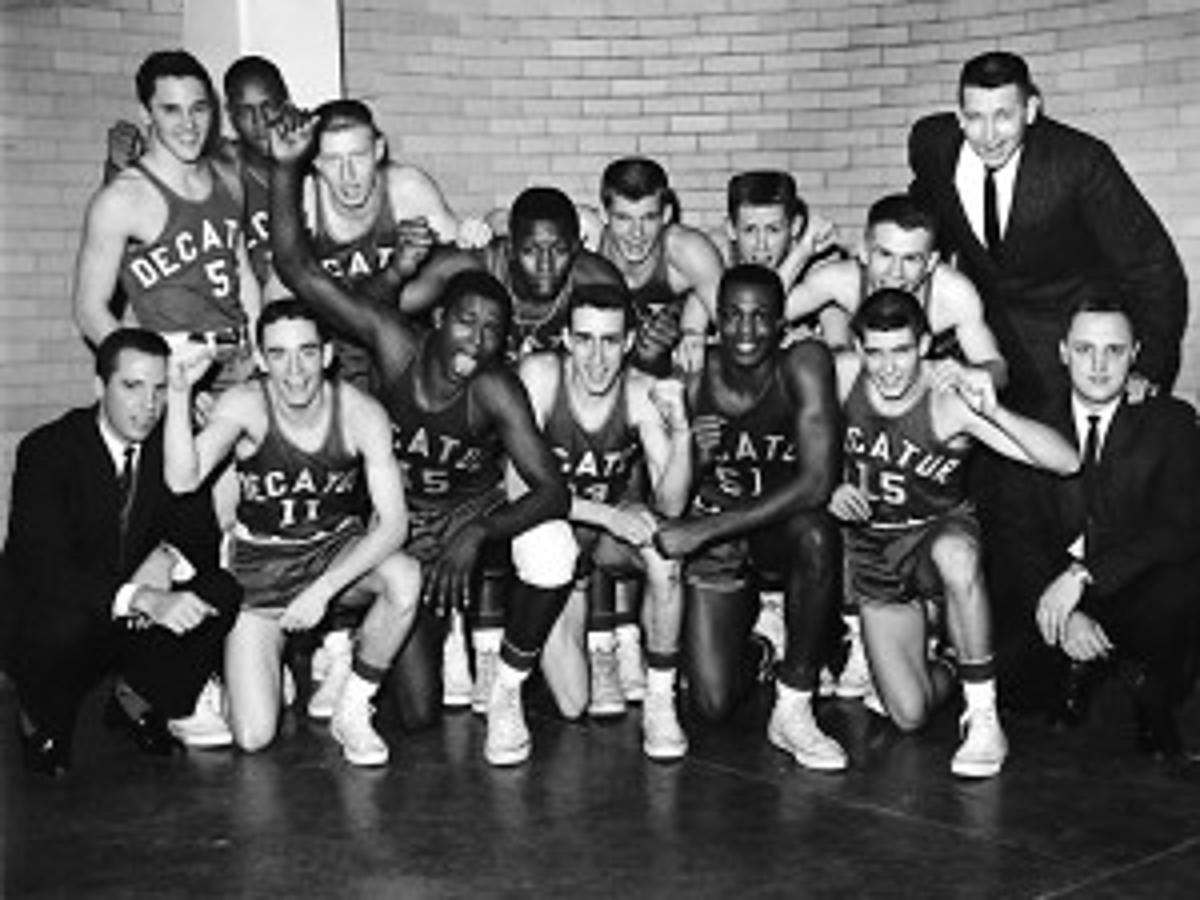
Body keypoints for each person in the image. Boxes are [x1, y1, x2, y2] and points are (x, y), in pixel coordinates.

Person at [269, 110, 578, 768]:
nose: (478, 342)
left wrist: (482, 532)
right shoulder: (393, 342)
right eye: (466, 323)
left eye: (494, 331)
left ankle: (508, 691)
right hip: (401, 522)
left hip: (468, 515)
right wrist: (286, 169)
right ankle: (384, 645)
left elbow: (552, 491)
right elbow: (297, 269)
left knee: (552, 547)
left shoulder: (497, 387)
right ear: (437, 319)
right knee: (414, 714)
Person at [830, 288, 1079, 778]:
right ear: (858, 350)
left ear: (924, 345)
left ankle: (983, 716)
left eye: (901, 350)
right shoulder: (842, 377)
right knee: (908, 714)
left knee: (957, 555)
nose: (888, 367)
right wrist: (828, 491)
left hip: (934, 537)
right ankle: (946, 656)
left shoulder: (950, 399)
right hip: (874, 552)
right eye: (875, 353)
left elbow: (1065, 460)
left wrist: (993, 410)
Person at [163, 300, 420, 767]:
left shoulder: (361, 413)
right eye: (278, 354)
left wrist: (322, 591)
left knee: (404, 578)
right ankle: (240, 670)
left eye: (306, 352)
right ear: (261, 360)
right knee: (253, 737)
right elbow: (183, 480)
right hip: (261, 567)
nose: (294, 369)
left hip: (333, 555)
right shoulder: (244, 404)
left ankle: (353, 707)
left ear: (326, 355)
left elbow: (395, 524)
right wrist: (179, 394)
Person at [1, 329, 241, 776]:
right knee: (61, 622)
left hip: (128, 615)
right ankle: (39, 714)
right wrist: (141, 597)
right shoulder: (49, 449)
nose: (148, 406)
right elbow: (43, 567)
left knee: (221, 591)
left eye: (159, 389)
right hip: (58, 612)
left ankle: (136, 695)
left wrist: (168, 555)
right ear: (99, 387)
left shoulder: (169, 445)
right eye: (131, 387)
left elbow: (202, 539)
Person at [908, 50, 1187, 413]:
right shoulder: (933, 146)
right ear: (959, 115)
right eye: (975, 117)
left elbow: (1152, 267)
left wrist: (1147, 368)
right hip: (982, 342)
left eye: (1004, 116)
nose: (989, 136)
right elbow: (924, 214)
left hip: (1065, 342)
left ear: (1031, 109)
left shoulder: (1081, 162)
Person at [653, 264, 846, 772]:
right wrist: (693, 457)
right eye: (734, 317)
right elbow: (667, 500)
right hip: (720, 548)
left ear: (782, 324)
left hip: (771, 533)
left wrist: (708, 526)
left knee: (819, 535)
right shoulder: (693, 374)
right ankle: (760, 647)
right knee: (712, 705)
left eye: (761, 317)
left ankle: (794, 705)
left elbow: (816, 483)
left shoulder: (804, 363)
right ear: (715, 320)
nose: (746, 330)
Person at [1005, 297, 1200, 760]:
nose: (1098, 364)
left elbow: (1180, 527)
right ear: (1062, 351)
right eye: (1085, 348)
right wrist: (1065, 611)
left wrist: (1085, 574)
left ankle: (1154, 694)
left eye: (1114, 350)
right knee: (1016, 688)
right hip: (1050, 587)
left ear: (1135, 354)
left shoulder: (1171, 421)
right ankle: (1072, 669)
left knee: (1183, 583)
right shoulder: (1029, 422)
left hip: (1128, 581)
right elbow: (1014, 533)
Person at [519, 284, 693, 759]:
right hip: (546, 540)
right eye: (586, 340)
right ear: (567, 341)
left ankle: (660, 700)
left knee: (665, 555)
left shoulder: (638, 394)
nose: (597, 357)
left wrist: (681, 430)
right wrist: (609, 515)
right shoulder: (539, 376)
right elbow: (524, 493)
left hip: (601, 539)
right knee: (574, 705)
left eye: (611, 341)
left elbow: (673, 506)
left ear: (630, 341)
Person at [73, 50, 260, 390]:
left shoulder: (230, 179)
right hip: (173, 361)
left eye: (198, 109)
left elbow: (242, 273)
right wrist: (154, 375)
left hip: (238, 358)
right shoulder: (120, 200)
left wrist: (259, 350)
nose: (188, 125)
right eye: (171, 110)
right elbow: (89, 309)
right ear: (146, 113)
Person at [301, 99, 489, 387]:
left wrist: (476, 233)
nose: (348, 175)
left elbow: (463, 259)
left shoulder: (407, 189)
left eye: (358, 156)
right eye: (334, 160)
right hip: (333, 349)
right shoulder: (306, 202)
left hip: (401, 341)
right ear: (316, 162)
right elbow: (279, 295)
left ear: (378, 150)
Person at [106, 55, 291, 291]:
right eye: (246, 111)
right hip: (233, 314)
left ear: (285, 105)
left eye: (268, 106)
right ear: (231, 114)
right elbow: (127, 217)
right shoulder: (217, 166)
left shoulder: (315, 164)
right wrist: (116, 167)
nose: (260, 121)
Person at [785, 193, 1007, 389]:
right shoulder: (841, 280)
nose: (895, 273)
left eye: (911, 259)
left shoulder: (953, 294)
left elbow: (997, 369)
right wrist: (802, 251)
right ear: (864, 252)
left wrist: (969, 375)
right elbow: (762, 309)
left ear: (931, 262)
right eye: (885, 255)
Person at [581, 157, 726, 375]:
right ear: (604, 215)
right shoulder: (587, 239)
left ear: (666, 215)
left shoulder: (688, 251)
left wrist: (693, 331)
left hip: (667, 370)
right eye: (623, 218)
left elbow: (734, 329)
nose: (636, 234)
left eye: (648, 218)